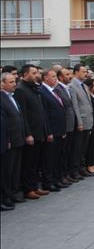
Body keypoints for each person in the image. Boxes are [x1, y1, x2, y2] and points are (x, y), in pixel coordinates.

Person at [14, 64, 50, 200]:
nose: (37, 75)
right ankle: (28, 189)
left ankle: (34, 186)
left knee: (35, 162)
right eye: (34, 73)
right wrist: (28, 134)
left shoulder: (34, 88)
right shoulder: (21, 90)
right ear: (25, 74)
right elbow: (23, 114)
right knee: (28, 163)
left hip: (39, 131)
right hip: (31, 134)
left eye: (37, 72)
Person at [39, 69, 68, 192]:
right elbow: (45, 114)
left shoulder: (54, 91)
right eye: (52, 76)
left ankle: (56, 179)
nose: (55, 79)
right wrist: (49, 131)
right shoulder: (42, 91)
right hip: (52, 131)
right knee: (49, 159)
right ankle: (48, 182)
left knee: (57, 157)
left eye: (55, 76)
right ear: (45, 78)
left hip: (59, 129)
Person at [1, 72, 26, 210]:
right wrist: (8, 139)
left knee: (14, 169)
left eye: (14, 81)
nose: (14, 84)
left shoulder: (12, 97)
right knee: (7, 170)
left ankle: (11, 194)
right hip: (8, 141)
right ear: (2, 83)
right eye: (10, 82)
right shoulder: (2, 98)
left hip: (18, 138)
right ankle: (5, 196)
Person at [69, 64, 93, 181]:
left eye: (86, 71)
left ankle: (81, 167)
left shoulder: (83, 85)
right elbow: (75, 106)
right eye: (83, 71)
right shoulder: (72, 86)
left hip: (88, 120)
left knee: (84, 147)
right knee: (77, 148)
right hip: (81, 122)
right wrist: (79, 122)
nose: (85, 73)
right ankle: (75, 170)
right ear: (76, 72)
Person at [55, 68, 75, 188]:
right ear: (60, 77)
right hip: (64, 126)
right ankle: (61, 175)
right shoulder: (58, 89)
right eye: (67, 74)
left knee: (68, 151)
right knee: (62, 153)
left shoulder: (67, 88)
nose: (70, 76)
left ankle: (66, 174)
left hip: (71, 125)